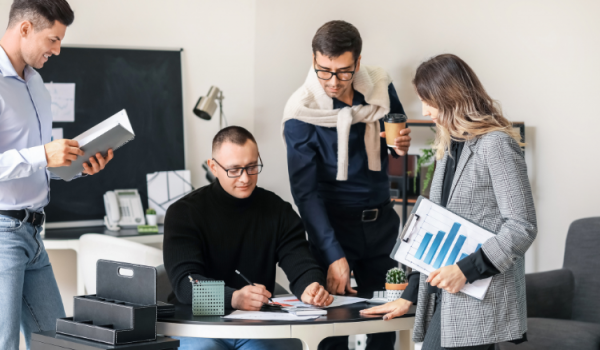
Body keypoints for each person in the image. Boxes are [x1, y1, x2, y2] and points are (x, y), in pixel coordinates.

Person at [361, 54, 537, 350]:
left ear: (451, 98)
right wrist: (409, 295)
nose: (425, 111)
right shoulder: (452, 145)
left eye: (428, 102)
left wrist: (465, 270)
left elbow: (522, 227)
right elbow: (435, 226)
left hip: (478, 296)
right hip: (451, 295)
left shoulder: (496, 144)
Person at [282, 20, 411, 349]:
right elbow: (305, 194)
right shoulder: (301, 111)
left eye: (343, 71)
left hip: (381, 223)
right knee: (331, 331)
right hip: (333, 228)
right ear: (314, 59)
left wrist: (399, 146)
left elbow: (391, 137)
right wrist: (334, 255)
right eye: (324, 70)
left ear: (358, 62)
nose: (333, 82)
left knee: (384, 327)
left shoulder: (380, 86)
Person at [0, 1, 115, 349]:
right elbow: (36, 157)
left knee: (58, 343)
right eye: (52, 39)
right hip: (3, 233)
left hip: (33, 233)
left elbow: (38, 165)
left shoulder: (36, 85)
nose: (58, 50)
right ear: (24, 29)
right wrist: (42, 154)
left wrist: (77, 168)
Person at [163, 126, 333, 350]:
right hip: (196, 325)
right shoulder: (183, 213)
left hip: (255, 326)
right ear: (213, 167)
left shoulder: (277, 211)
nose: (245, 178)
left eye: (252, 167)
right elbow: (186, 285)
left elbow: (300, 262)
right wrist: (234, 298)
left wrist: (311, 287)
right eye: (234, 170)